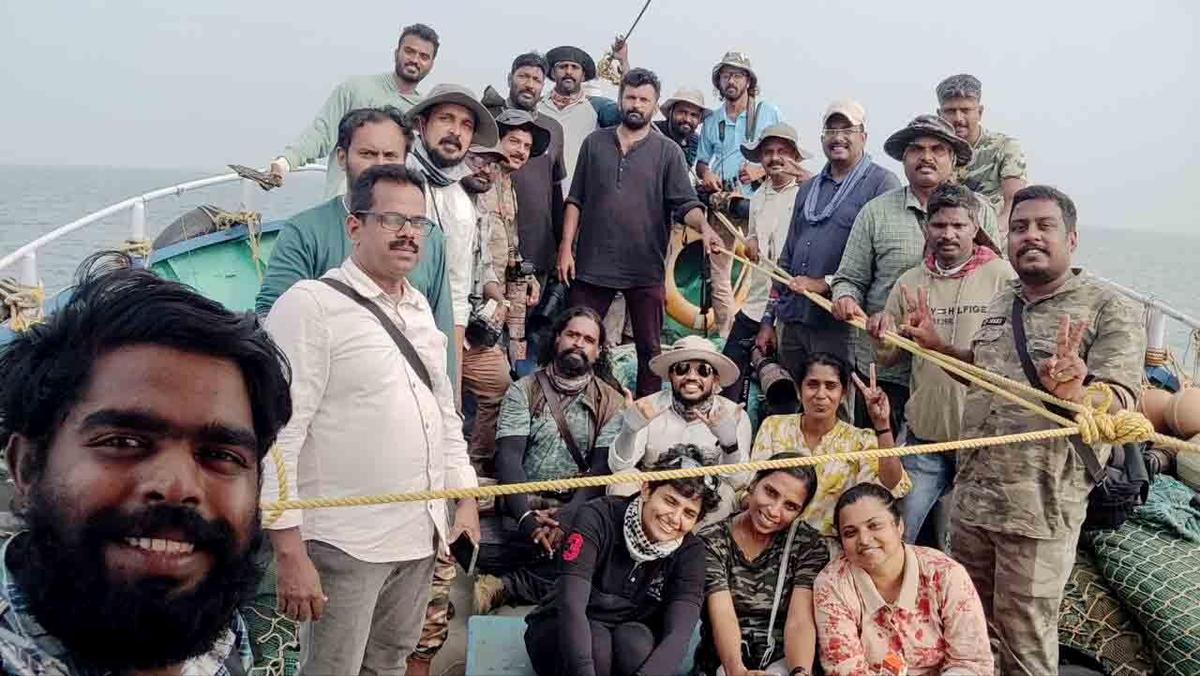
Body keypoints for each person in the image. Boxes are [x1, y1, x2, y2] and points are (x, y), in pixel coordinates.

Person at [0, 253, 292, 675]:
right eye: (123, 441)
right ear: (26, 465)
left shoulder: (217, 634)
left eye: (220, 455)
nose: (177, 486)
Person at [907, 185, 1145, 674]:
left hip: (1039, 513)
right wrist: (939, 347)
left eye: (1044, 226)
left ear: (1072, 239)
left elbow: (1120, 399)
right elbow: (985, 371)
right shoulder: (1004, 299)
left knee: (1025, 644)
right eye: (1019, 227)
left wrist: (1079, 393)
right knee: (971, 631)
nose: (1029, 236)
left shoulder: (1107, 306)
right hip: (973, 503)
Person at [262, 164, 480, 675]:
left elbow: (445, 416)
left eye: (418, 223)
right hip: (344, 543)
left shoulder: (421, 309)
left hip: (418, 535)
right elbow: (279, 435)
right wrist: (289, 551)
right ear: (355, 225)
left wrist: (464, 500)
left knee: (389, 662)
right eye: (391, 219)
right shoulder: (311, 307)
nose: (408, 233)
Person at [830, 114, 998, 433]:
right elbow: (847, 278)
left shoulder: (981, 211)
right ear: (904, 158)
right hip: (886, 372)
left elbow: (998, 284)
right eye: (917, 149)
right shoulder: (876, 212)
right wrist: (845, 299)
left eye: (938, 148)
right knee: (885, 469)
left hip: (953, 375)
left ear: (953, 159)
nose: (927, 157)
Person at [866, 183, 1015, 544]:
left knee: (967, 546)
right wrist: (881, 335)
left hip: (983, 444)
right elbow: (888, 358)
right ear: (925, 228)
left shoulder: (1003, 278)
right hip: (925, 438)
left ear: (975, 227)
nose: (948, 234)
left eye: (958, 226)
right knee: (898, 534)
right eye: (939, 226)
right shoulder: (910, 281)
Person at [255, 107, 457, 368]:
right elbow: (272, 316)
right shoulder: (304, 231)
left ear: (405, 160)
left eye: (391, 155)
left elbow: (442, 332)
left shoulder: (429, 237)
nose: (380, 165)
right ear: (342, 157)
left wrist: (451, 404)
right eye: (368, 154)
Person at [557, 67, 712, 396]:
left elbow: (685, 203)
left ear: (654, 106)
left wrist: (705, 227)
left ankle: (647, 416)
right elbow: (575, 200)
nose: (636, 104)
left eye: (644, 100)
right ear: (620, 98)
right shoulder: (595, 143)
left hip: (645, 266)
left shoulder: (667, 151)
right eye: (630, 97)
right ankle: (572, 400)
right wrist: (566, 247)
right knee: (576, 337)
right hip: (592, 262)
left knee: (650, 351)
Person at [471, 306, 625, 614]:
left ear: (597, 352)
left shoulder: (612, 401)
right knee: (468, 546)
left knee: (604, 557)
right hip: (520, 504)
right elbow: (509, 458)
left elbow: (599, 472)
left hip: (576, 510)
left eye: (588, 339)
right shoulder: (523, 390)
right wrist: (527, 521)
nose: (579, 344)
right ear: (556, 340)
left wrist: (566, 519)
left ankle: (508, 586)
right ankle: (549, 569)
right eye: (572, 335)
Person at [524, 448, 720, 676]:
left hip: (629, 629)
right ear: (646, 489)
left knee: (635, 646)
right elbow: (571, 607)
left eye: (688, 513)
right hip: (564, 626)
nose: (675, 518)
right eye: (670, 501)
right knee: (596, 644)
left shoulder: (691, 552)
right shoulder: (596, 517)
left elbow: (679, 634)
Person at [757, 100, 900, 382]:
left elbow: (883, 262)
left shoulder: (882, 184)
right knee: (795, 407)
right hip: (794, 319)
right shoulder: (808, 188)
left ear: (864, 136)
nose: (837, 137)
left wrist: (824, 283)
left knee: (836, 408)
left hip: (839, 323)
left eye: (847, 129)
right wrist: (767, 320)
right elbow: (786, 258)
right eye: (831, 130)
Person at [814, 483, 993, 675]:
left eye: (874, 525)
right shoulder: (832, 585)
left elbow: (971, 662)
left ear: (899, 526)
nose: (864, 539)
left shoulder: (945, 573)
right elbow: (845, 669)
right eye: (850, 533)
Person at [751, 353, 910, 542]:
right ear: (799, 390)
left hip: (828, 548)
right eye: (812, 384)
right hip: (769, 535)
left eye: (831, 386)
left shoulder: (860, 441)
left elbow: (891, 485)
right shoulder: (774, 426)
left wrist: (882, 425)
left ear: (843, 394)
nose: (821, 395)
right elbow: (753, 486)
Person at [268, 23, 439, 197]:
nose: (415, 60)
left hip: (391, 212)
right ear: (396, 53)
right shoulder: (356, 89)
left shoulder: (425, 113)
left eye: (424, 56)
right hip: (344, 205)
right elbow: (321, 133)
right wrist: (286, 162)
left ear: (431, 64)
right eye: (409, 51)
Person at [697, 457, 828, 676]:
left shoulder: (808, 545)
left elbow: (800, 621)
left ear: (800, 512)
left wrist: (800, 672)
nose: (774, 511)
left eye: (790, 506)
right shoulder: (712, 540)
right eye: (770, 492)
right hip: (723, 659)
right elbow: (722, 612)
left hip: (784, 657)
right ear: (753, 483)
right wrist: (737, 670)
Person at [406, 84, 501, 374]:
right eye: (446, 119)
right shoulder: (395, 177)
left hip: (434, 329)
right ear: (422, 125)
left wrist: (451, 380)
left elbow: (457, 293)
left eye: (466, 125)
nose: (455, 132)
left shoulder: (462, 205)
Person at [611, 335, 752, 523]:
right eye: (682, 368)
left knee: (725, 495)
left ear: (716, 380)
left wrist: (730, 445)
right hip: (652, 498)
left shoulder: (735, 415)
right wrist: (629, 431)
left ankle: (698, 551)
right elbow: (619, 468)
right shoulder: (648, 407)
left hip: (701, 503)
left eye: (703, 370)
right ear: (670, 375)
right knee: (623, 480)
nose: (691, 377)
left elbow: (736, 483)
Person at [695, 50, 787, 335]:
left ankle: (762, 331)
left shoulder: (767, 112)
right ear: (718, 81)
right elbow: (701, 161)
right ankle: (726, 334)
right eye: (725, 75)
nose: (730, 80)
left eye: (736, 75)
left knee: (765, 267)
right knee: (718, 269)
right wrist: (706, 174)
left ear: (748, 80)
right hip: (724, 203)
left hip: (759, 200)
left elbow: (786, 153)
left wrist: (761, 171)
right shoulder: (712, 121)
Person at [720, 123, 810, 402]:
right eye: (768, 152)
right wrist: (751, 242)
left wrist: (807, 177)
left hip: (792, 302)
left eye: (783, 151)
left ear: (795, 156)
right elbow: (754, 236)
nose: (775, 158)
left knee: (787, 380)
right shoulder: (758, 197)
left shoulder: (808, 193)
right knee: (730, 369)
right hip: (756, 300)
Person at [481, 52, 569, 283]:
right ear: (510, 78)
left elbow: (556, 192)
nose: (529, 85)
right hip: (491, 246)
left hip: (538, 247)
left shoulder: (553, 129)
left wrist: (563, 245)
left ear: (543, 86)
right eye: (523, 76)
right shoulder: (489, 119)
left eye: (536, 80)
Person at [937, 73, 1028, 229]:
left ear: (979, 112)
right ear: (939, 115)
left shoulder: (1004, 147)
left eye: (965, 110)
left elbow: (1014, 202)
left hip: (995, 233)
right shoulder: (933, 153)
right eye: (951, 111)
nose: (958, 118)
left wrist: (991, 237)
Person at [538, 43, 623, 191]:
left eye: (574, 67)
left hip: (581, 198)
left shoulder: (597, 107)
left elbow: (626, 111)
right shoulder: (536, 107)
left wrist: (623, 61)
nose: (568, 72)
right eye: (563, 66)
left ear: (583, 76)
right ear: (552, 73)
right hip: (541, 196)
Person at [656, 87, 706, 169]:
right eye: (682, 112)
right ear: (670, 112)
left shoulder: (695, 142)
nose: (687, 119)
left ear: (699, 119)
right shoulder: (653, 132)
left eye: (693, 115)